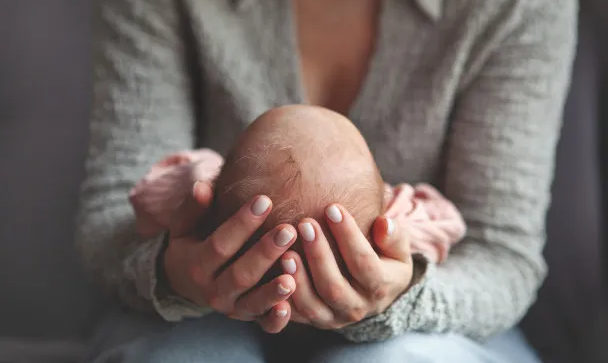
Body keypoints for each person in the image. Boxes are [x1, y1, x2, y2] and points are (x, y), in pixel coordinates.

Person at [14, 0, 578, 363]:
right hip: (198, 324)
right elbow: (116, 215)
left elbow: (501, 255)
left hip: (437, 333)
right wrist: (177, 273)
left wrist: (401, 296)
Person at [129, 104, 467, 284]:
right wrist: (408, 268)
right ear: (386, 193)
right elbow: (448, 224)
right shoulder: (396, 223)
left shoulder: (199, 195)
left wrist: (195, 177)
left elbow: (144, 196)